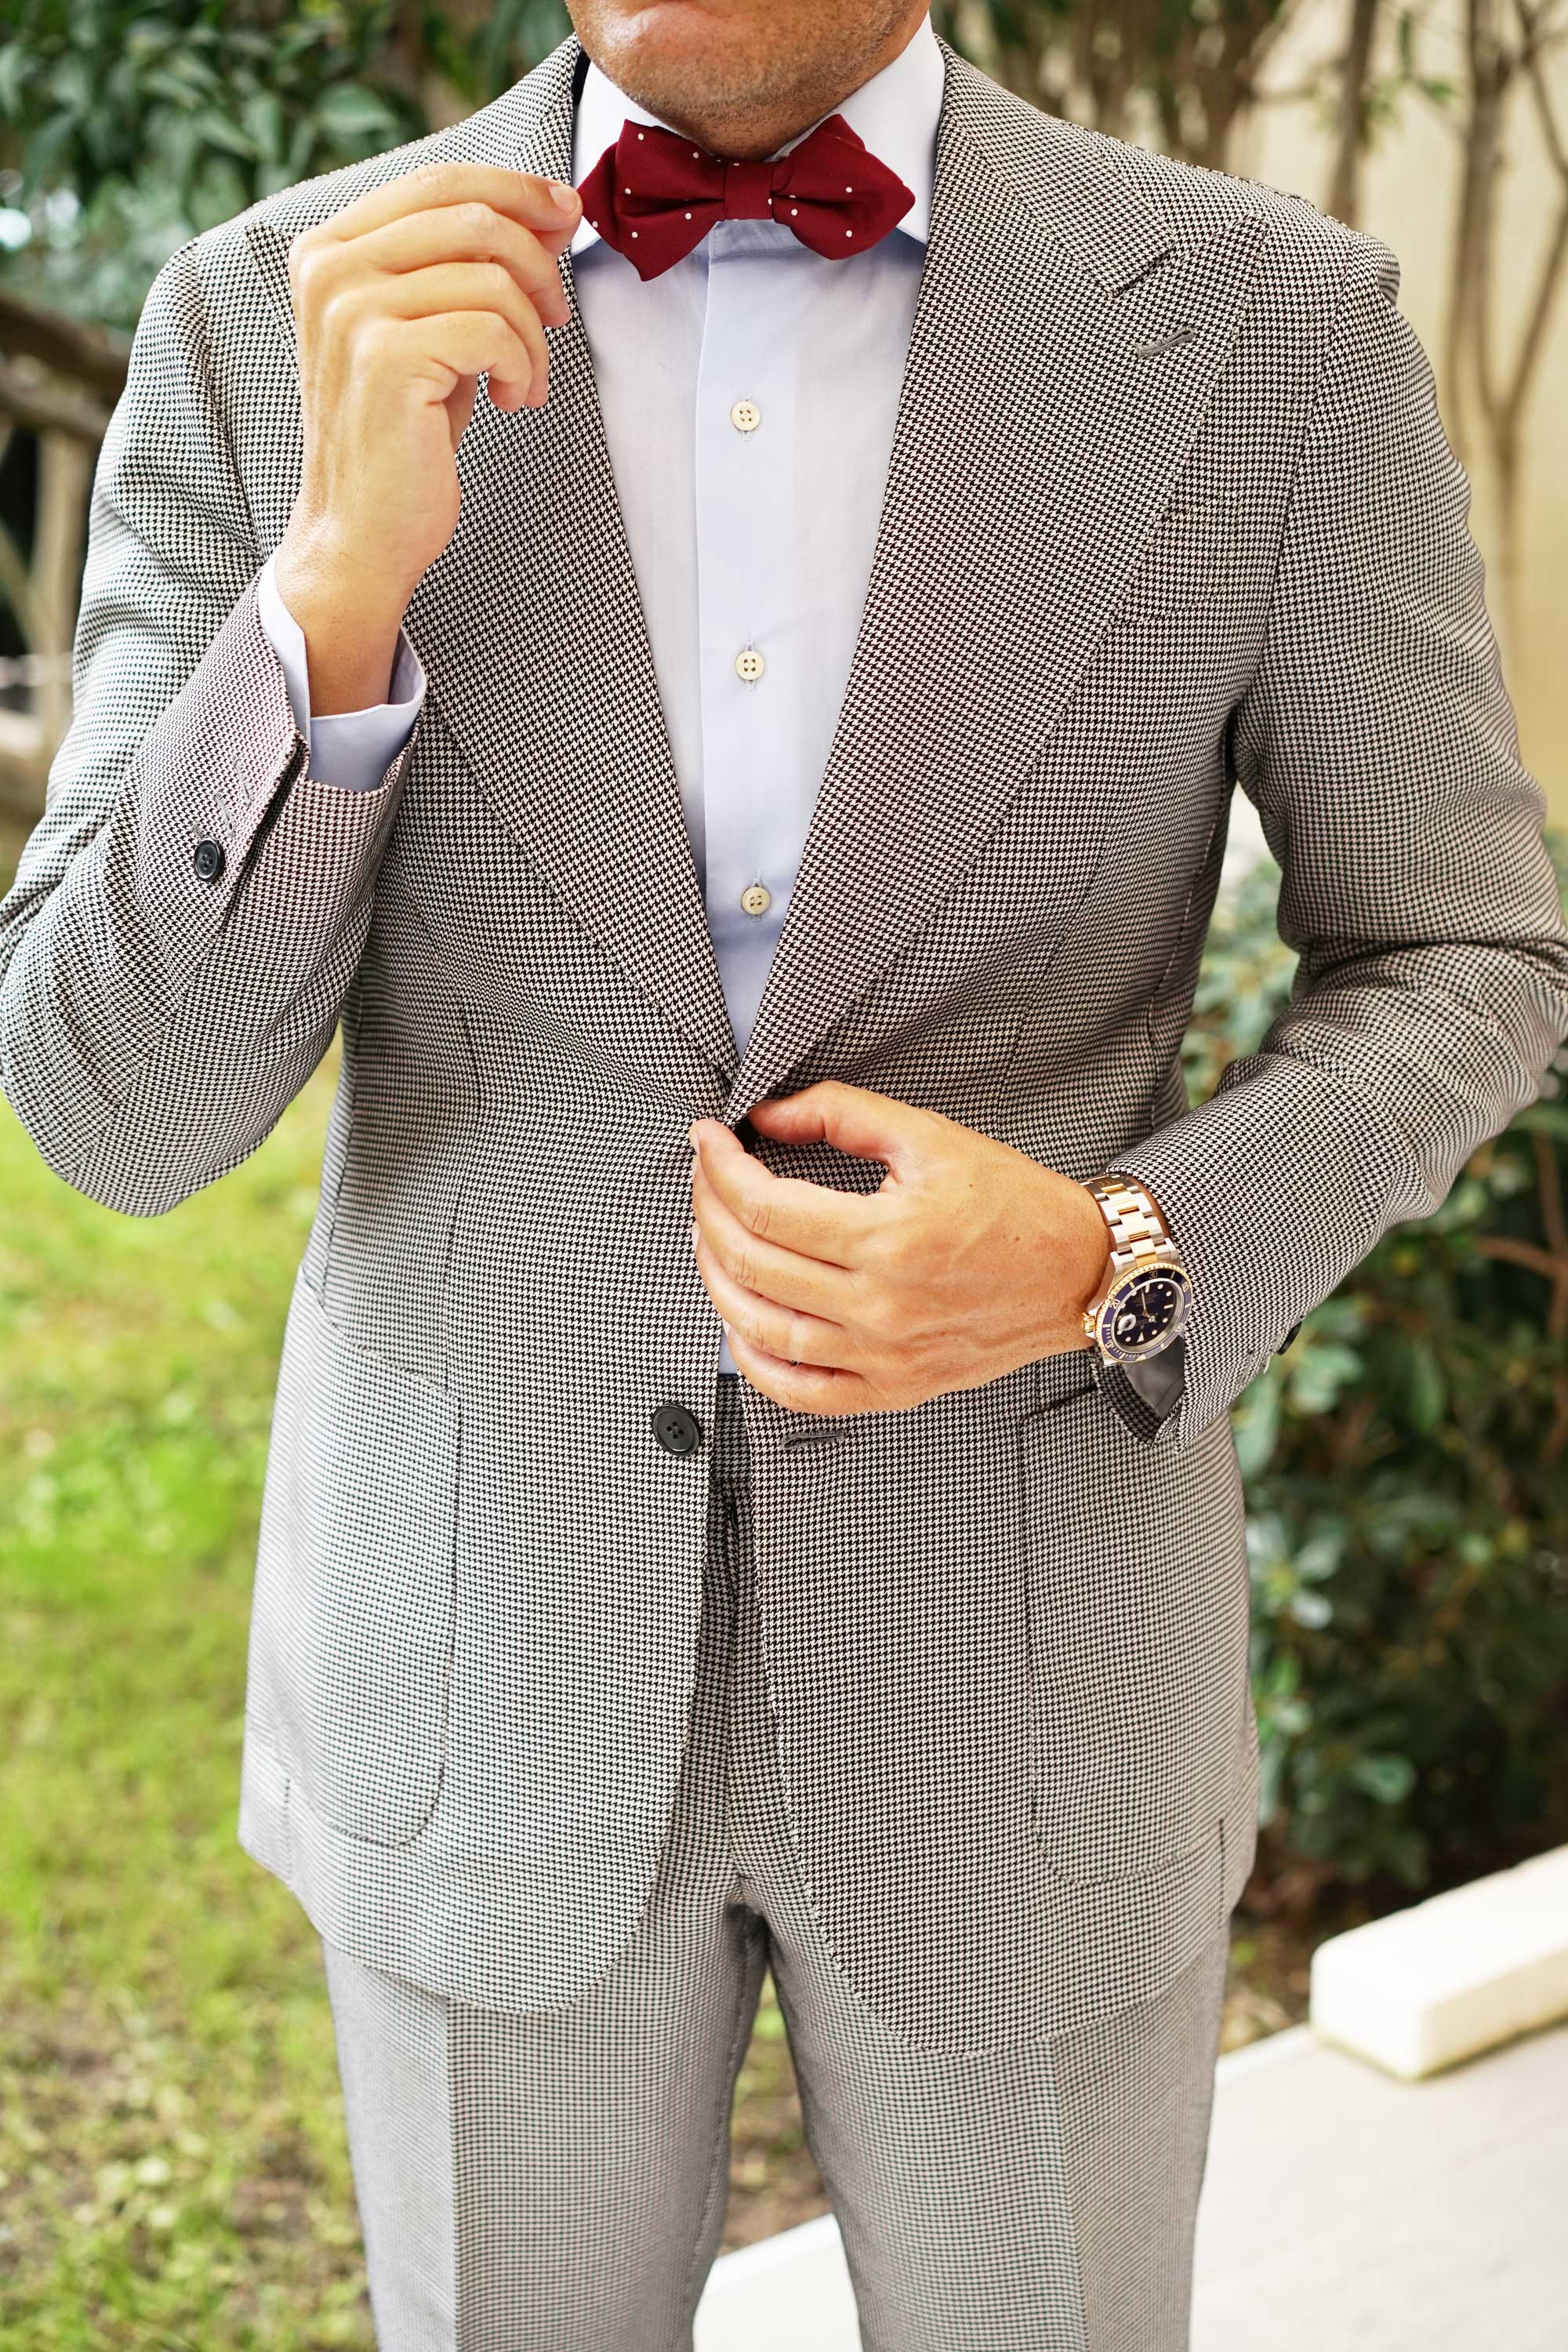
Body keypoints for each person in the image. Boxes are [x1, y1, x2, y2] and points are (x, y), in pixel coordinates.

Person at [3, 1, 1566, 2343]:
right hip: (480, 1681)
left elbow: (1467, 951)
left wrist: (1116, 1249)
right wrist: (328, 589)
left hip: (1022, 1695)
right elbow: (114, 1109)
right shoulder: (272, 314)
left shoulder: (1267, 327)